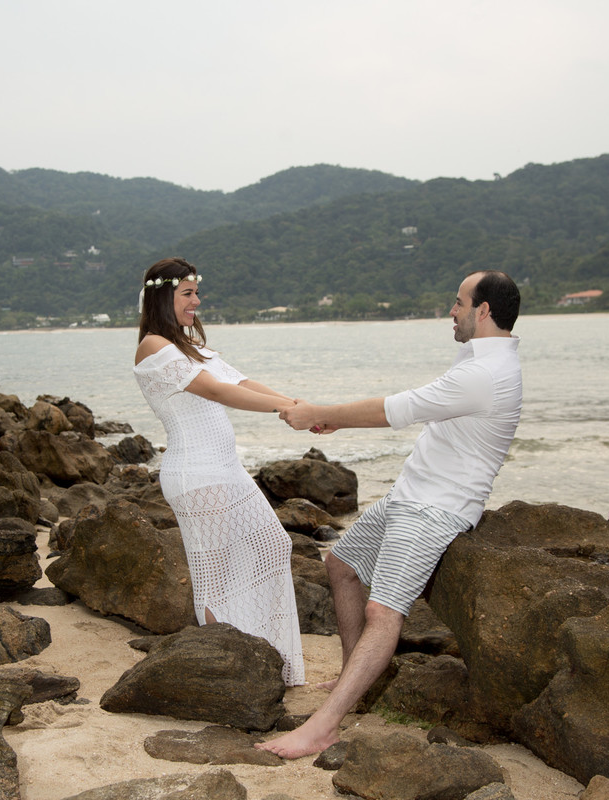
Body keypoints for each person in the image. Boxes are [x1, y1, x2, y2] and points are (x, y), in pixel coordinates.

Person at [256, 269, 522, 757]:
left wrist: (322, 413)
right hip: (410, 494)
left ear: (484, 311)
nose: (452, 311)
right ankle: (352, 679)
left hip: (437, 508)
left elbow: (400, 408)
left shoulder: (487, 374)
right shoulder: (478, 358)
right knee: (341, 564)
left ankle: (324, 726)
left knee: (384, 610)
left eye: (459, 303)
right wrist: (334, 420)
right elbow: (419, 407)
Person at [133, 257, 306, 685]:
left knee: (274, 545)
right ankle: (230, 669)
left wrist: (300, 406)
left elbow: (241, 383)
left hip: (225, 470)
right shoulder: (153, 346)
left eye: (196, 292)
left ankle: (261, 655)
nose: (197, 301)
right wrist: (285, 409)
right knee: (216, 575)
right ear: (163, 297)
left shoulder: (189, 346)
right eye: (187, 293)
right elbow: (216, 391)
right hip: (197, 475)